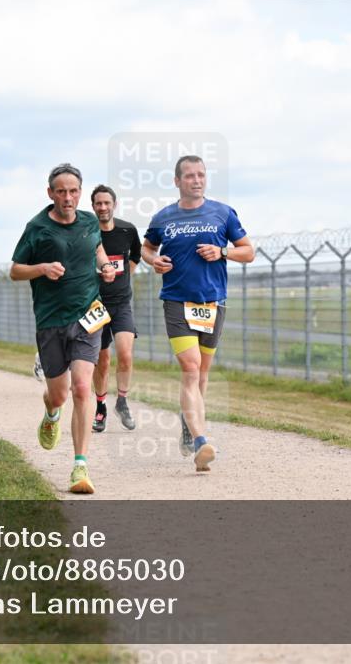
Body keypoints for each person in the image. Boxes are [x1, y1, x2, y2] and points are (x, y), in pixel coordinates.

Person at [141, 155, 254, 472]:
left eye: (201, 175)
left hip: (212, 303)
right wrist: (153, 261)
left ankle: (189, 424)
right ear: (177, 181)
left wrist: (222, 251)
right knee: (190, 369)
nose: (197, 180)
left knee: (201, 374)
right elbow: (146, 248)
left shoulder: (223, 213)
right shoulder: (164, 217)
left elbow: (249, 252)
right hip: (176, 300)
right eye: (189, 176)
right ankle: (202, 440)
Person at [10, 163, 116, 494]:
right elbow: (15, 270)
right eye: (61, 191)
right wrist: (40, 268)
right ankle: (51, 412)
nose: (67, 197)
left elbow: (97, 248)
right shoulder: (37, 227)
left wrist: (106, 267)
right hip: (51, 320)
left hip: (88, 316)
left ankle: (80, 466)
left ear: (80, 193)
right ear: (50, 193)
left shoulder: (89, 221)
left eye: (73, 191)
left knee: (82, 388)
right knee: (59, 393)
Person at [89, 184, 141, 433]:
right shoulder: (87, 232)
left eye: (106, 203)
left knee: (126, 354)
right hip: (95, 305)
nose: (103, 207)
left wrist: (123, 280)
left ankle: (122, 401)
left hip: (121, 303)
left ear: (114, 204)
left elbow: (136, 257)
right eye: (98, 203)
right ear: (92, 207)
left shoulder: (127, 230)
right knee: (102, 359)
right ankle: (100, 407)